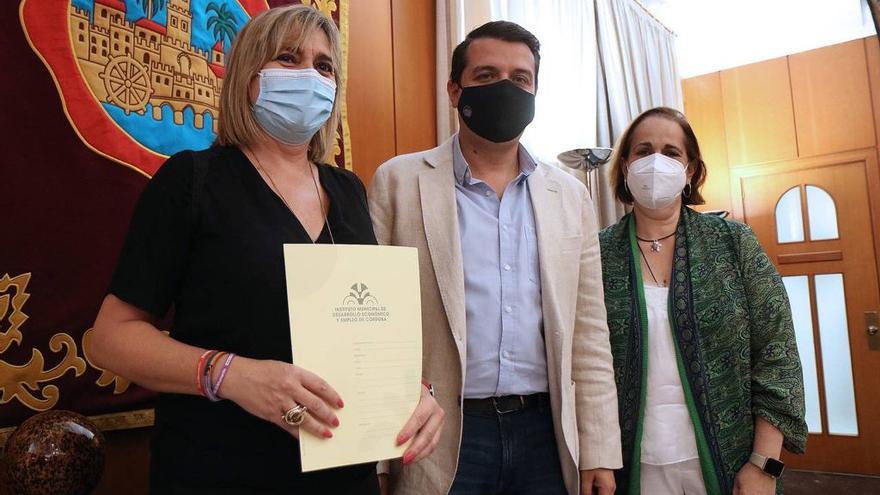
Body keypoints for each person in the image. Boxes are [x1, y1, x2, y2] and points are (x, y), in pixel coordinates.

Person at [86, 5, 443, 494]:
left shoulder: (348, 189)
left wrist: (414, 391)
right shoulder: (191, 181)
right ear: (248, 76)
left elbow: (367, 322)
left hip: (343, 474)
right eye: (289, 58)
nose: (309, 76)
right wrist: (231, 375)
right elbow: (109, 338)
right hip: (222, 469)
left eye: (323, 66)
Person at [369, 20, 621, 495]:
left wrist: (600, 452)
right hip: (439, 434)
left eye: (520, 79)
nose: (505, 88)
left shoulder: (570, 197)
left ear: (534, 91)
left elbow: (589, 333)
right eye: (486, 76)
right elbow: (375, 327)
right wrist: (378, 461)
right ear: (454, 89)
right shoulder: (398, 182)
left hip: (546, 435)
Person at [599, 107, 807, 495]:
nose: (656, 161)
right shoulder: (596, 254)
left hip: (729, 462)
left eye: (671, 152)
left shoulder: (733, 242)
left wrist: (765, 465)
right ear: (625, 165)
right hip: (628, 467)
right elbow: (583, 366)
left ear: (691, 169)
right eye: (643, 151)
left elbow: (777, 353)